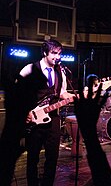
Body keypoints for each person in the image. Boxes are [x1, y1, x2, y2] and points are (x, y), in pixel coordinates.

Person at [19, 39, 75, 186]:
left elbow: (61, 92)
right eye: (54, 53)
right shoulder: (30, 69)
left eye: (59, 54)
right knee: (33, 158)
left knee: (52, 158)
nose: (57, 57)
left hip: (54, 118)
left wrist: (73, 96)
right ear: (45, 53)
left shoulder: (60, 72)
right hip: (33, 120)